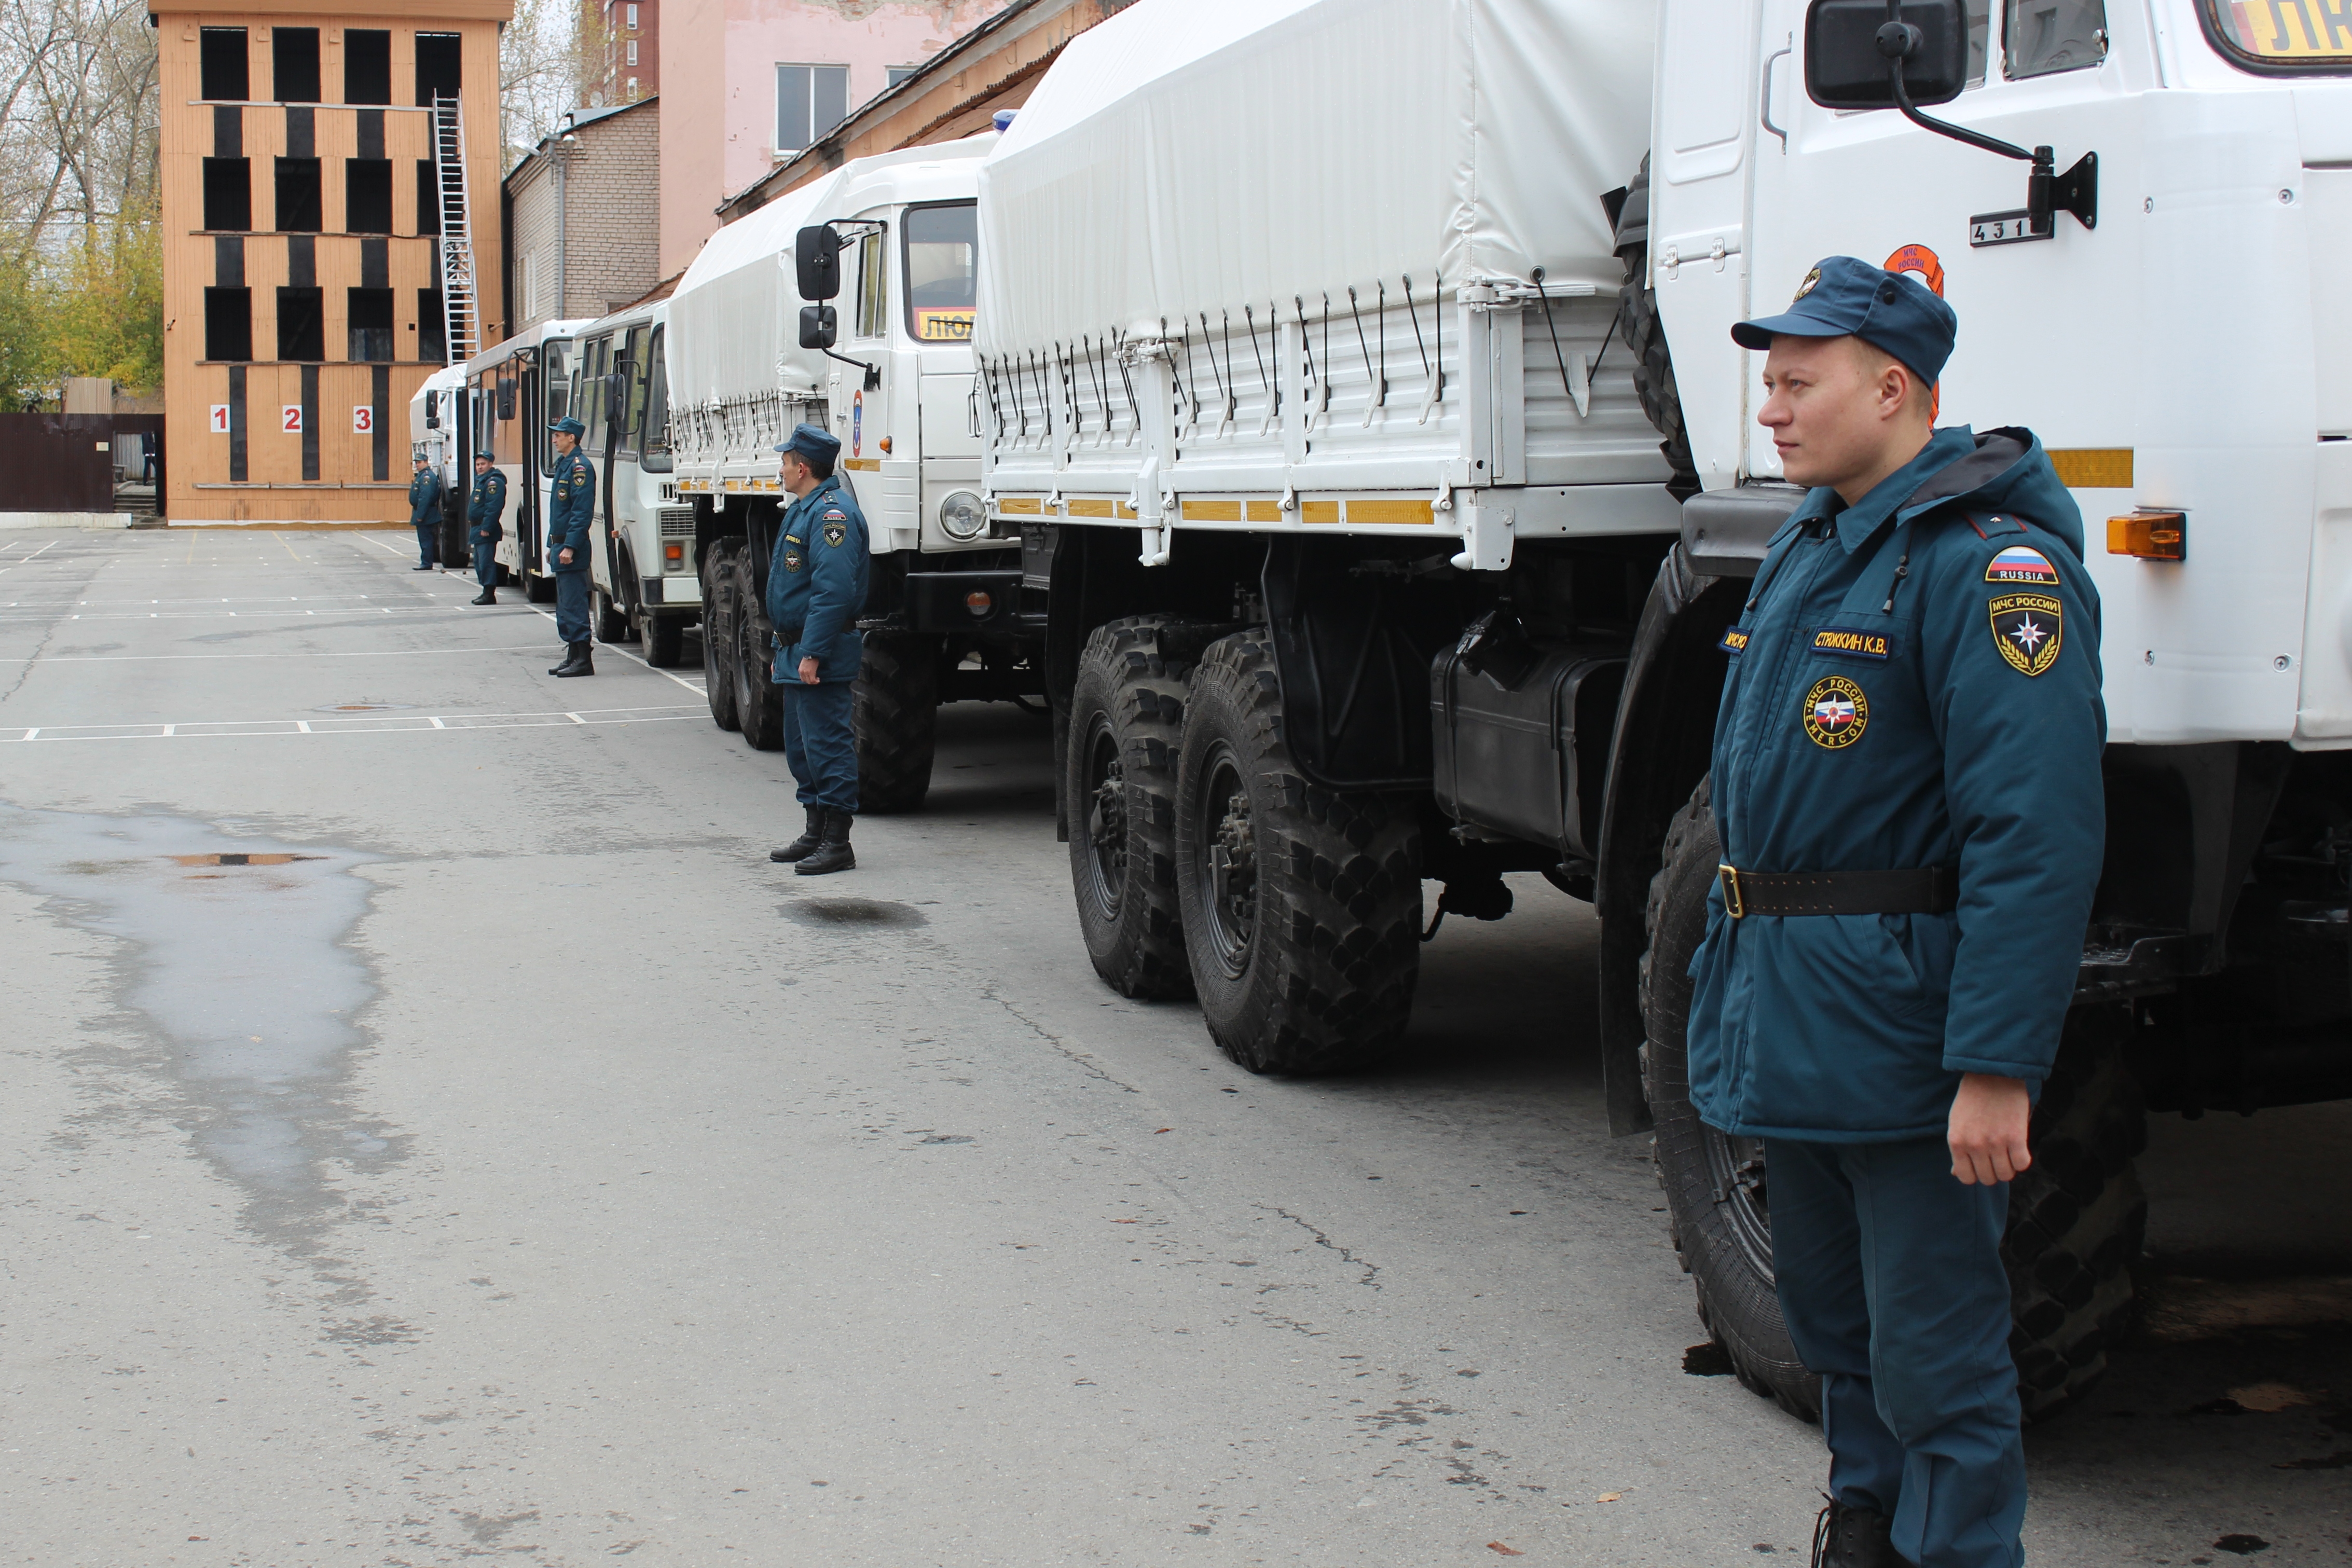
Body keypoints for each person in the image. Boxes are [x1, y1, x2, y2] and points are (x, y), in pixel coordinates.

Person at [1683, 257, 2105, 1568]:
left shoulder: (1989, 569)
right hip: (1794, 1019)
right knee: (1835, 1327)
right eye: (1769, 381)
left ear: (1894, 387)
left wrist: (1995, 1064)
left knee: (1939, 1356)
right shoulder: (1814, 543)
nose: (1771, 407)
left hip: (1907, 1040)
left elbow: (2030, 838)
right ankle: (1863, 1532)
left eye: (1797, 381)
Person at [764, 423, 869, 875]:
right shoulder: (803, 508)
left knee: (826, 745)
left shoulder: (832, 515)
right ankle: (814, 830)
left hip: (816, 652)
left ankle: (836, 841)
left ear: (802, 467)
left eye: (785, 462)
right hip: (796, 649)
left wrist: (813, 652)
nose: (781, 469)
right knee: (801, 748)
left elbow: (833, 592)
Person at [545, 417, 595, 677]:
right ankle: (572, 655)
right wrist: (551, 545)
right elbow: (558, 513)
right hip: (561, 545)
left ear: (572, 438)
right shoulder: (565, 465)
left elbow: (581, 512)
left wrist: (570, 547)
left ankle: (583, 659)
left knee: (574, 604)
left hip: (571, 549)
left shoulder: (580, 468)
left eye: (559, 435)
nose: (555, 439)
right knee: (564, 606)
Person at [466, 450, 507, 606]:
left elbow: (494, 507)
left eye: (483, 464)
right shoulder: (482, 481)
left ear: (491, 464)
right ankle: (485, 590)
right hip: (477, 529)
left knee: (486, 562)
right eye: (478, 464)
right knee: (479, 562)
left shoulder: (493, 482)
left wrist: (487, 527)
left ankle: (489, 593)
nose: (480, 467)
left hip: (485, 530)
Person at [406, 453, 443, 571]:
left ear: (426, 462)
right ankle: (426, 561)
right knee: (425, 539)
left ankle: (426, 563)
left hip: (426, 513)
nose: (417, 465)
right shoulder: (422, 476)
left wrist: (420, 515)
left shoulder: (427, 477)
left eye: (419, 462)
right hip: (424, 512)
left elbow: (425, 497)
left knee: (426, 539)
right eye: (416, 462)